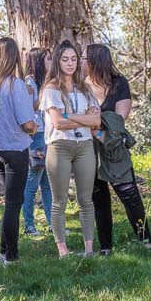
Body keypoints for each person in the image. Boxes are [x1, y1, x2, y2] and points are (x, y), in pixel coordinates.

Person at [83, 43, 151, 255]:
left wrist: (94, 120)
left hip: (113, 146)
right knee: (99, 198)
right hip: (88, 148)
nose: (80, 62)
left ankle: (145, 239)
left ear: (96, 61)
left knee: (130, 194)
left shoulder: (119, 83)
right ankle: (105, 247)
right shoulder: (79, 86)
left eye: (85, 58)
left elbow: (119, 118)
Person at [0, 37, 37, 265]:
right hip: (14, 148)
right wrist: (35, 127)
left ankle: (4, 250)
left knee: (11, 201)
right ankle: (9, 254)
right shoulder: (14, 85)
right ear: (13, 57)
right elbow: (27, 123)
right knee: (13, 203)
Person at [40, 40, 100, 258]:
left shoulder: (86, 89)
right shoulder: (51, 89)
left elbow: (96, 121)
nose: (70, 63)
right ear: (58, 61)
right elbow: (58, 123)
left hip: (84, 145)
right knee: (60, 200)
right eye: (65, 59)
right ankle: (63, 250)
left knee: (86, 199)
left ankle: (89, 249)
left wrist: (69, 116)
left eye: (74, 59)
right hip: (59, 146)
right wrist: (84, 119)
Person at [22, 48, 53, 235]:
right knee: (32, 182)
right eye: (48, 58)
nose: (52, 61)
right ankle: (29, 224)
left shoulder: (45, 81)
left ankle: (52, 223)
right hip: (36, 135)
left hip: (48, 133)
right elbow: (30, 107)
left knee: (48, 183)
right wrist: (44, 92)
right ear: (39, 61)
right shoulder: (30, 82)